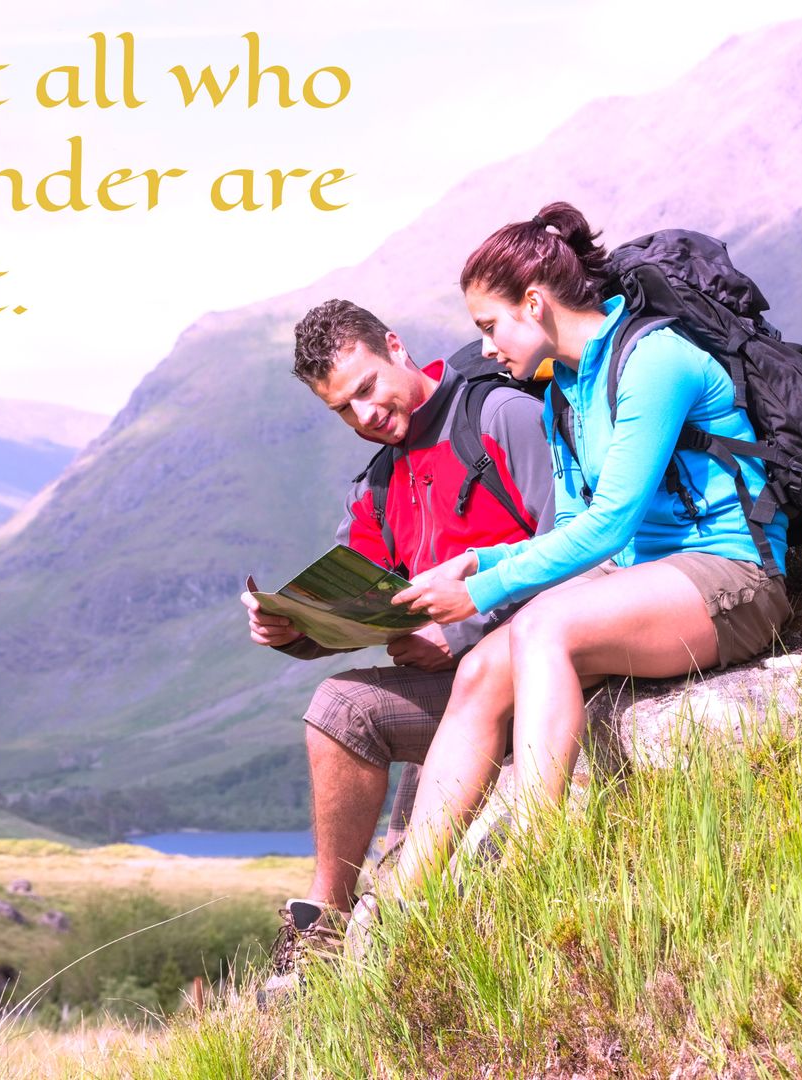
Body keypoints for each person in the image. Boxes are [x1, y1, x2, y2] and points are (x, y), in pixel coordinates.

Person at [388, 202, 793, 892]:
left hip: (733, 576)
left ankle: (541, 864)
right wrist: (483, 562)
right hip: (646, 578)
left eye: (489, 325)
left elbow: (610, 523)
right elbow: (574, 534)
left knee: (543, 625)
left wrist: (480, 592)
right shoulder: (564, 393)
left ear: (535, 304)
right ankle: (407, 901)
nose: (485, 347)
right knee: (484, 669)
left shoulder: (655, 361)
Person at [241, 298, 555, 1000]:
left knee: (345, 708)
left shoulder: (499, 416)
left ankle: (341, 936)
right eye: (342, 411)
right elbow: (359, 604)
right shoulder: (379, 483)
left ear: (394, 346)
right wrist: (296, 631)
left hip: (547, 671)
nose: (364, 417)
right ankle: (322, 933)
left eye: (366, 390)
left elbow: (583, 548)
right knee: (338, 707)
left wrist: (465, 629)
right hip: (461, 693)